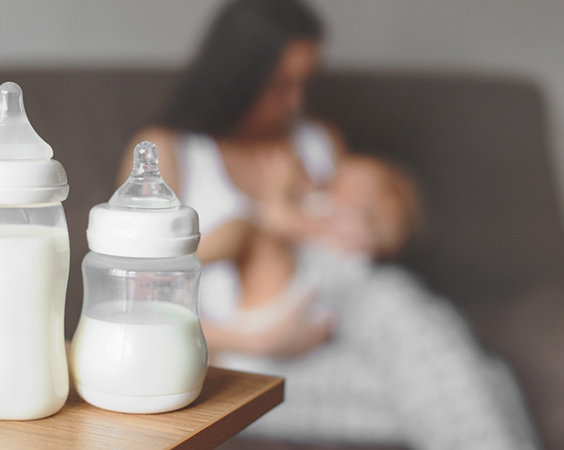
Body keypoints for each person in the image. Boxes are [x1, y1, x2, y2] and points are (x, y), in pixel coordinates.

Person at [117, 0, 539, 448]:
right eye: (281, 84)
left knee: (442, 353)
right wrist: (263, 341)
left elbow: (370, 233)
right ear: (237, 75)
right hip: (239, 356)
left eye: (304, 82)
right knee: (480, 384)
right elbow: (133, 300)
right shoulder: (167, 152)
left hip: (343, 321)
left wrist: (370, 226)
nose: (295, 101)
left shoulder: (315, 141)